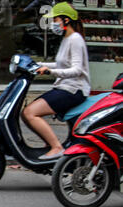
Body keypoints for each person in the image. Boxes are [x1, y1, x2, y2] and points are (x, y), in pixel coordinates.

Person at [22, 2, 90, 160]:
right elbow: (61, 64)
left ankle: (56, 147)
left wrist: (50, 71)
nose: (53, 23)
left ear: (66, 21)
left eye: (56, 19)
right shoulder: (67, 38)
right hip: (64, 87)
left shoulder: (75, 39)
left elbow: (76, 70)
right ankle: (49, 146)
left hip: (74, 90)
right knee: (26, 114)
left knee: (30, 112)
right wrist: (38, 64)